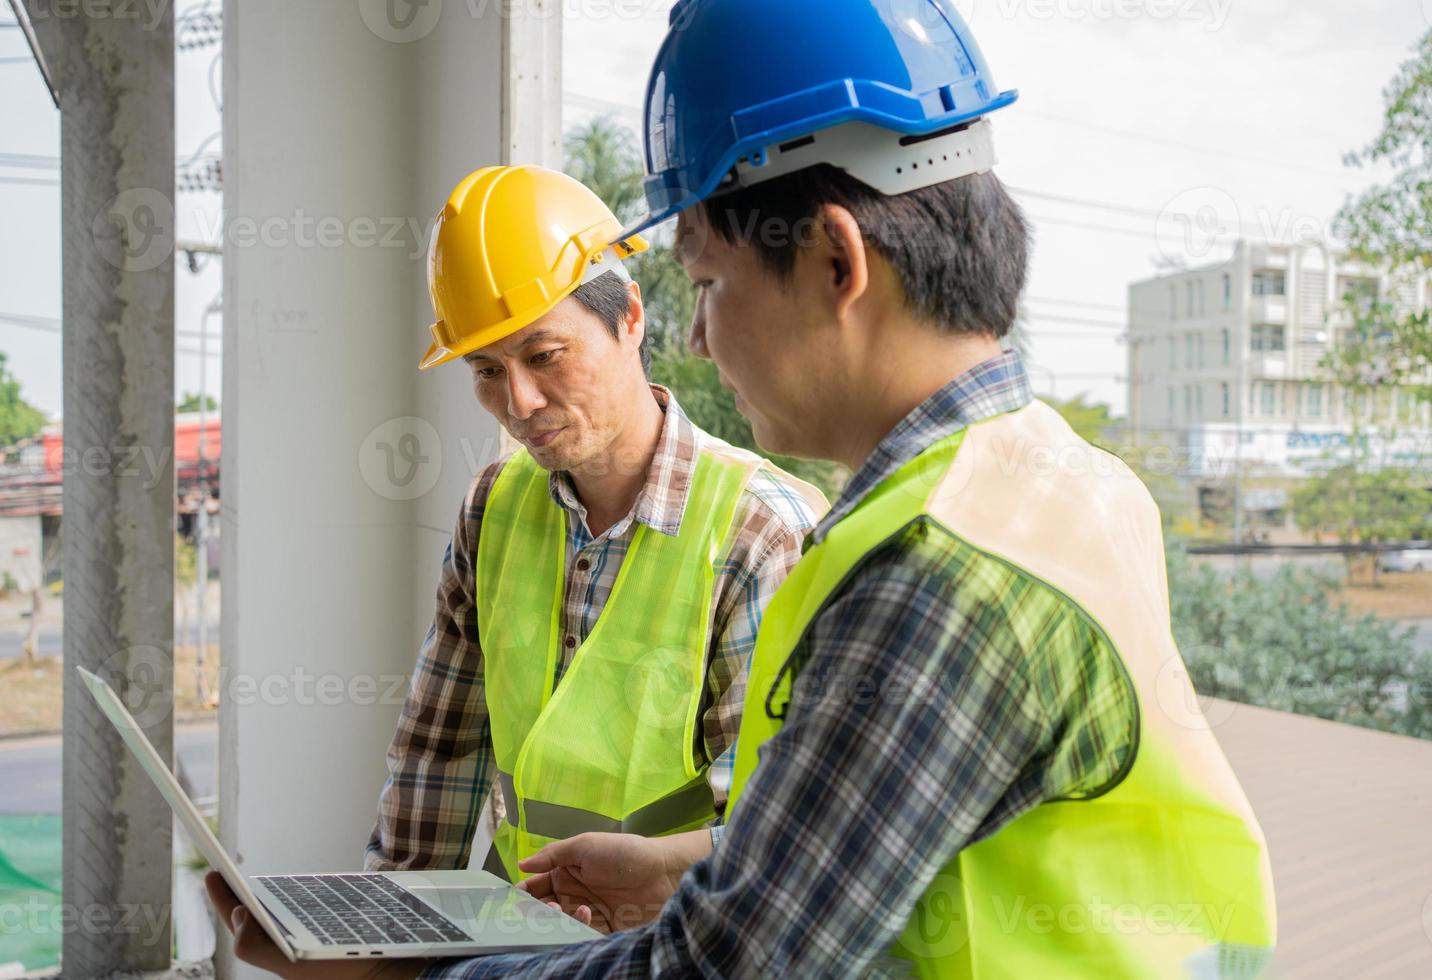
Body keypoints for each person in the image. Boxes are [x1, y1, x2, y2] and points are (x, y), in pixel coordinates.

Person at [210, 2, 1275, 976]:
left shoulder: (928, 573)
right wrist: (678, 870)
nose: (703, 337)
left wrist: (391, 973)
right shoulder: (1055, 480)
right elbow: (871, 850)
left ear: (833, 259)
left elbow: (722, 967)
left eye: (710, 285)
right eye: (488, 370)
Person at [363, 164, 825, 884]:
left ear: (630, 318)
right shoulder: (494, 506)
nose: (518, 402)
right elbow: (440, 749)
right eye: (485, 370)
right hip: (514, 933)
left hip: (677, 947)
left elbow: (772, 835)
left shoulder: (758, 532)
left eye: (544, 356)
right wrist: (383, 941)